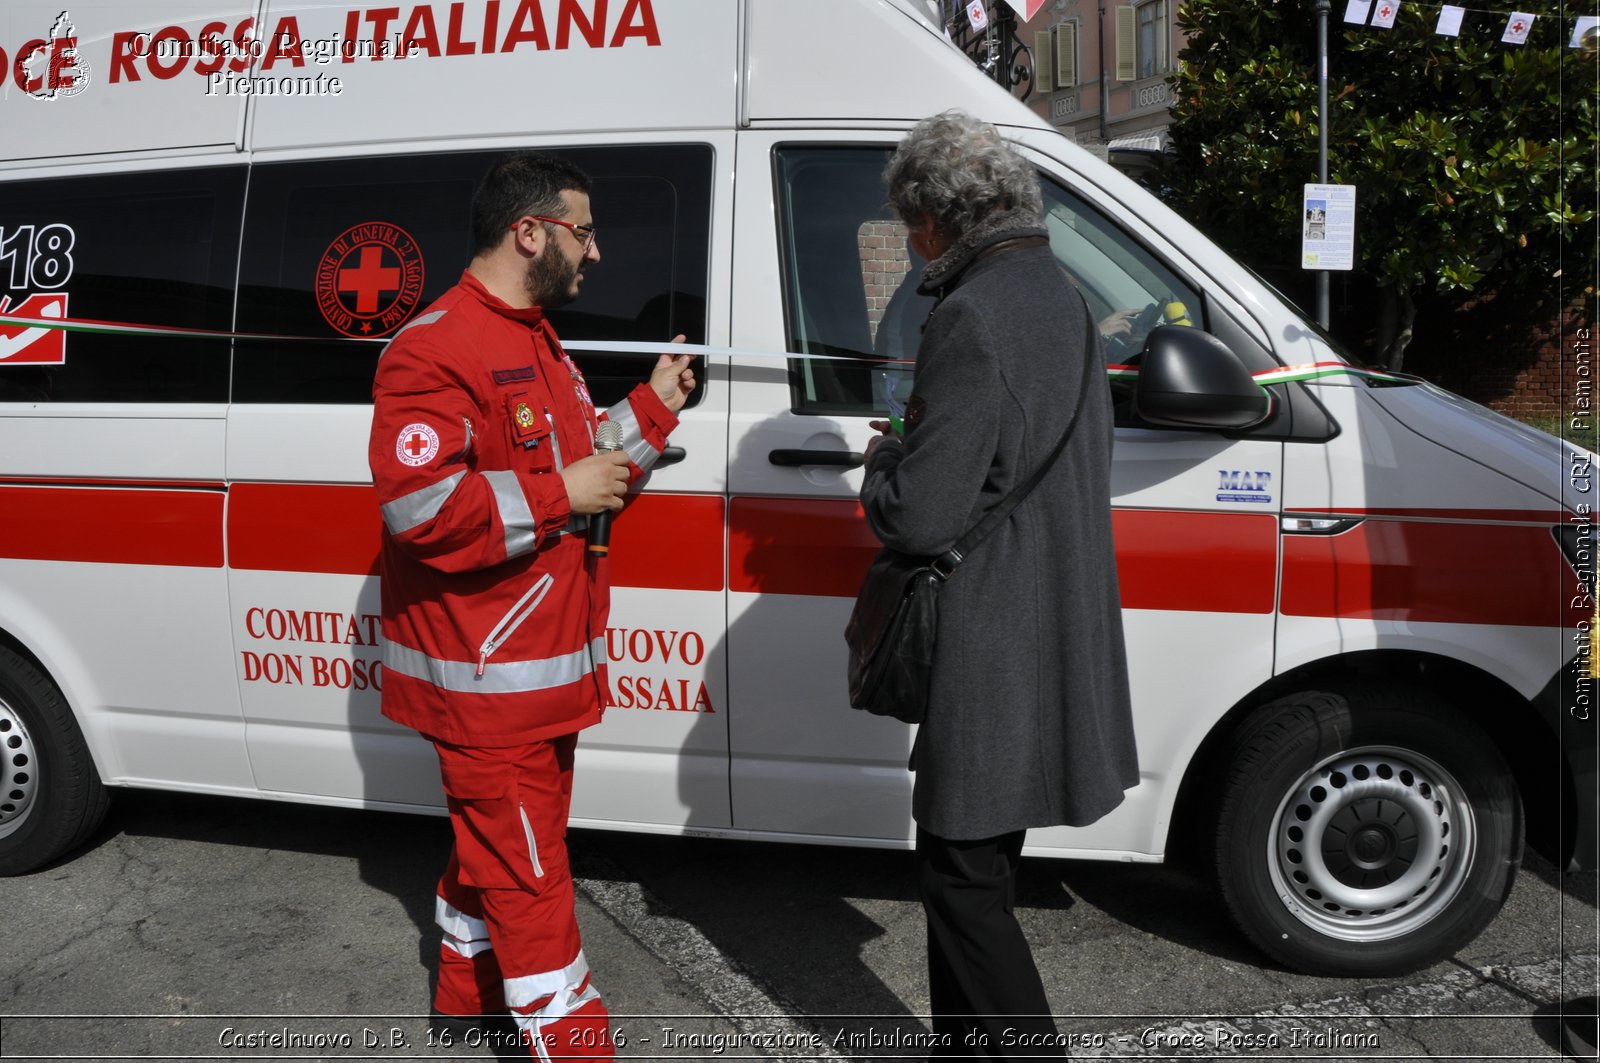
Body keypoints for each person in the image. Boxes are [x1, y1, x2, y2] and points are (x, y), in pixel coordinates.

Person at [368, 152, 694, 1061]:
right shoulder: (434, 346)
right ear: (529, 231)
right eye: (582, 232)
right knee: (532, 884)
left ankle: (464, 1006)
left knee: (499, 858)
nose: (595, 253)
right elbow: (419, 507)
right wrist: (559, 491)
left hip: (541, 675)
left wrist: (653, 411)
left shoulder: (536, 336)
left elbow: (584, 461)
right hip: (489, 685)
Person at [859, 111, 1139, 1057]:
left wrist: (882, 462)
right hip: (1041, 612)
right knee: (976, 861)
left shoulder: (973, 312)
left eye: (910, 222)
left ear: (940, 217)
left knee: (961, 878)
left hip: (988, 629)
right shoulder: (1056, 293)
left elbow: (920, 516)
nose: (909, 242)